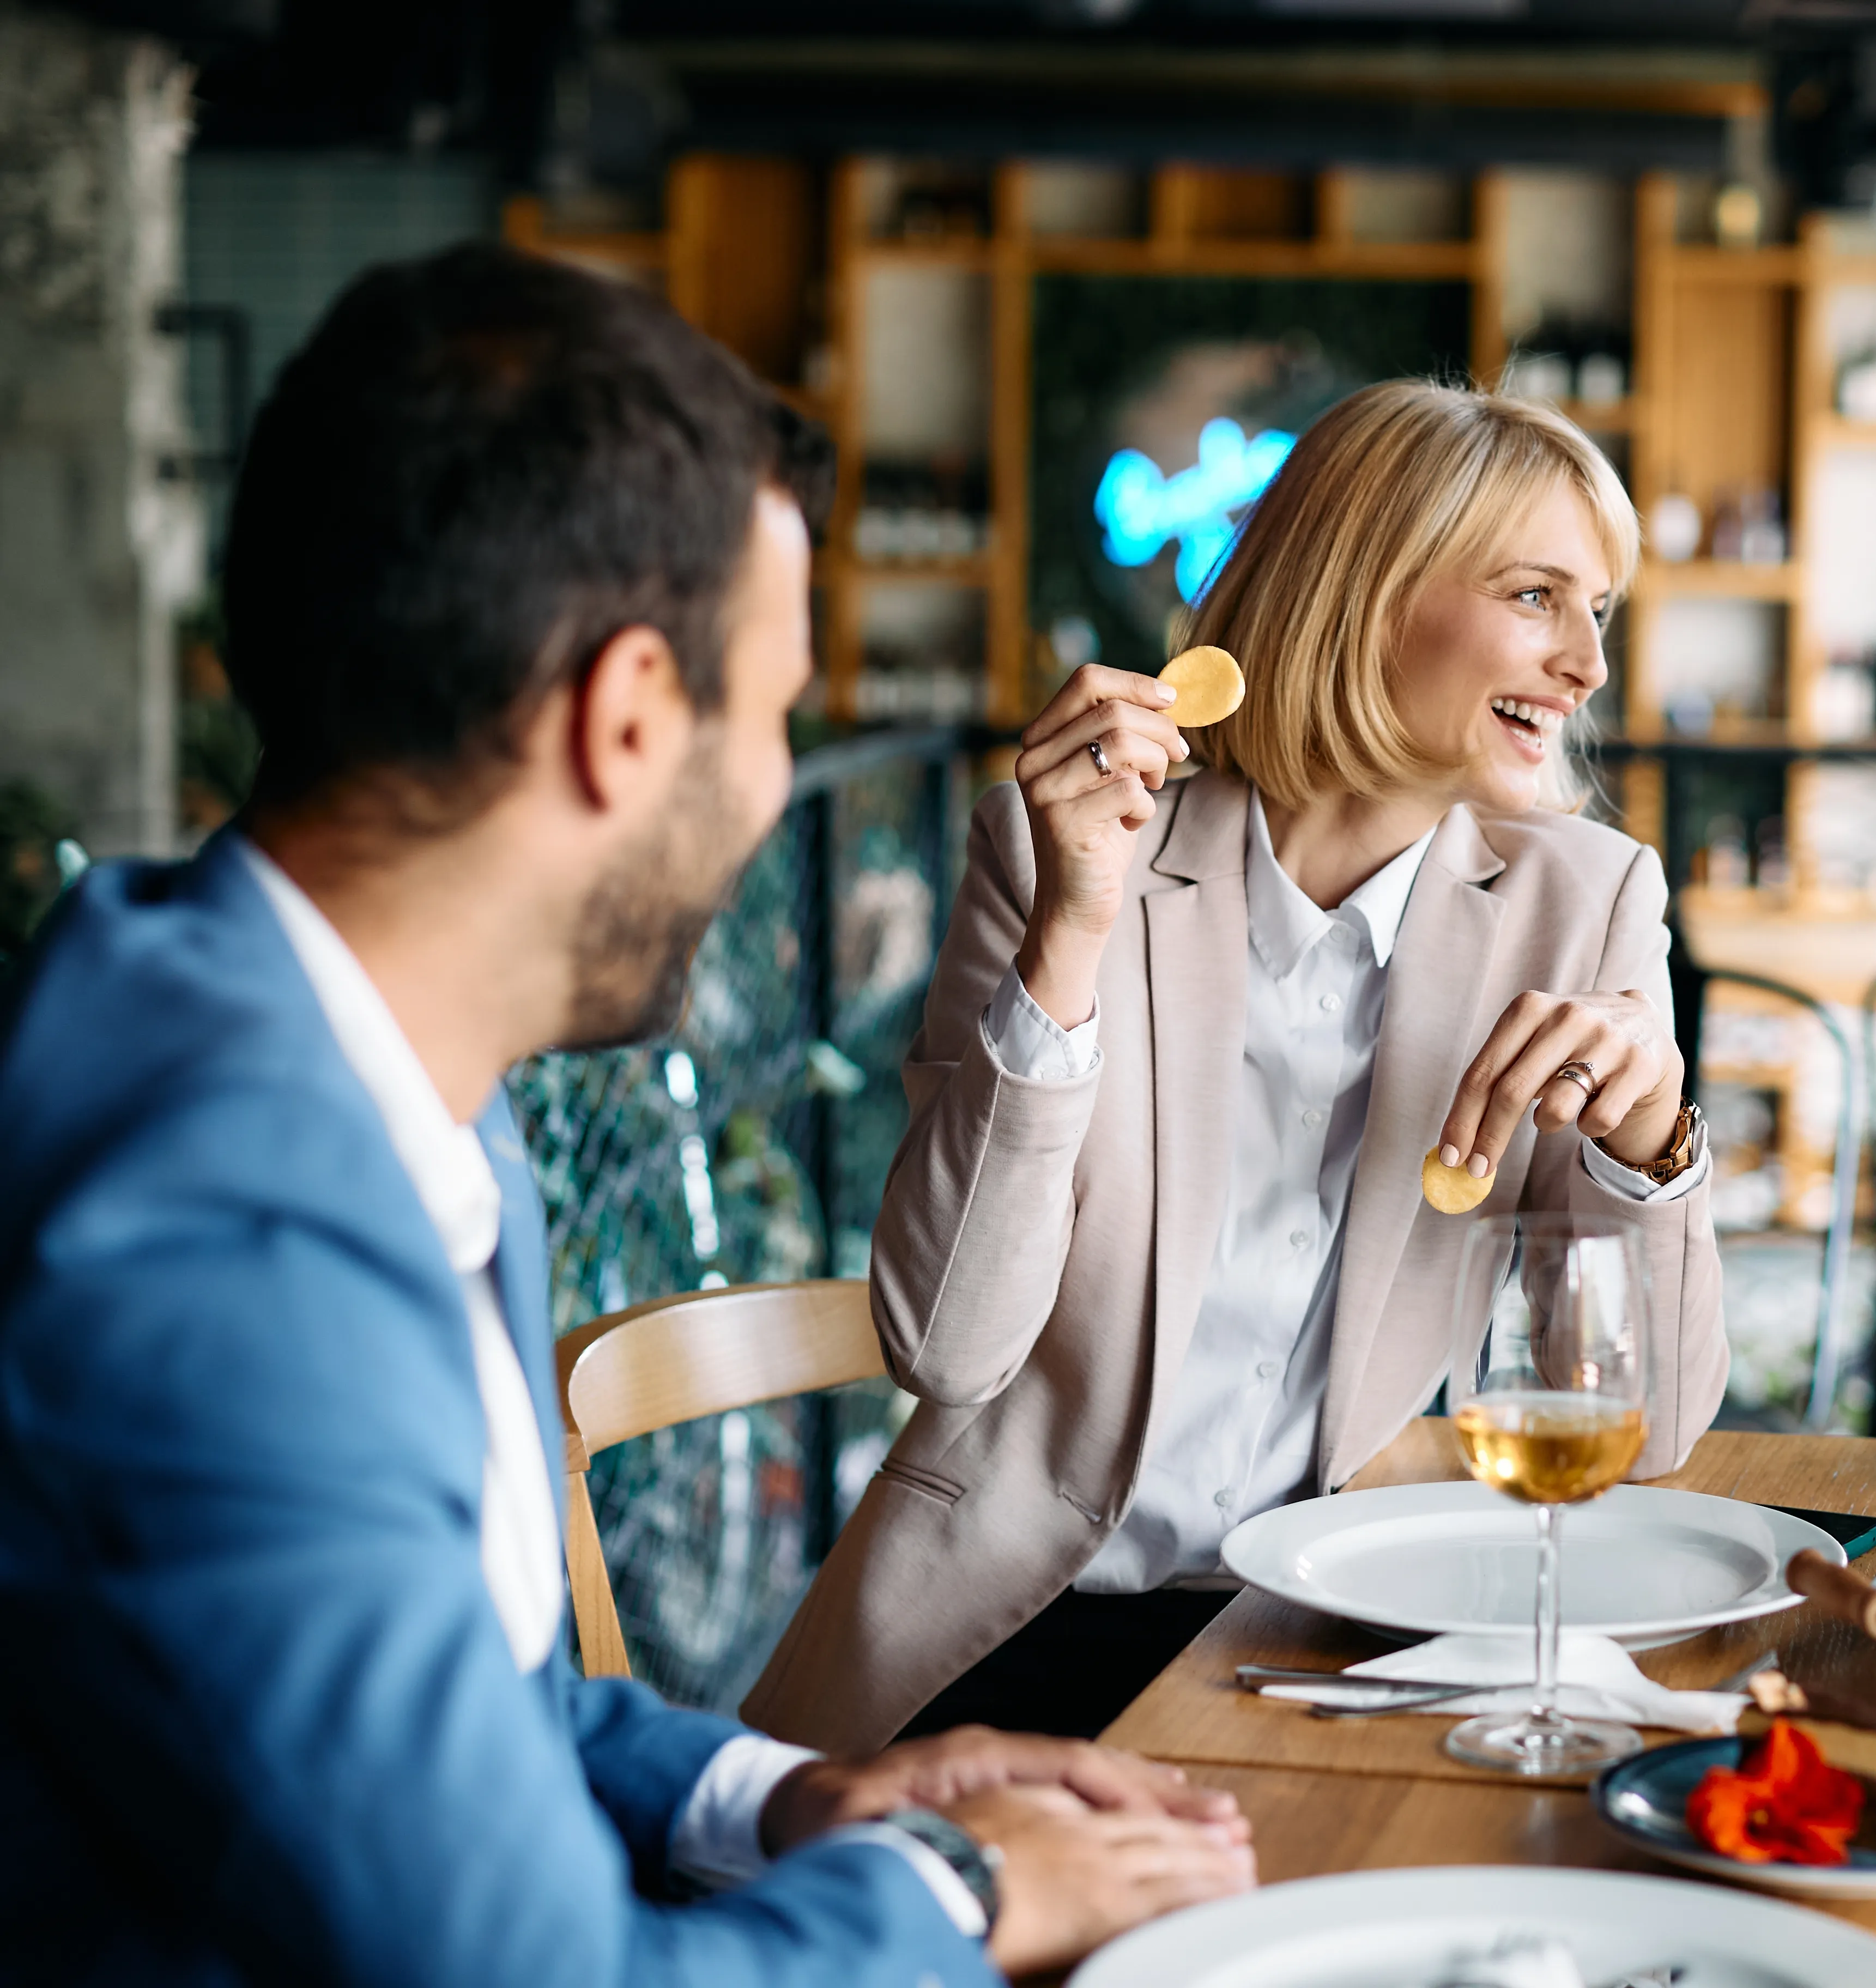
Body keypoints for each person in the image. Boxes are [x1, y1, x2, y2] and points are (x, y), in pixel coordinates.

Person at [0, 244, 1255, 1985]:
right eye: (776, 715)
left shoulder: (361, 1068)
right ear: (628, 719)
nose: (774, 788)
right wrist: (963, 1894)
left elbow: (490, 1698)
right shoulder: (224, 1238)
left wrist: (798, 1800)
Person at [745, 379, 1730, 1754]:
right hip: (1008, 1636)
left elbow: (1660, 1425)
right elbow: (947, 1344)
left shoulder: (1593, 902)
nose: (1588, 667)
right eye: (1536, 598)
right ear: (1369, 591)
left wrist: (1650, 1145)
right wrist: (1072, 933)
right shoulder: (1063, 851)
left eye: (1599, 614)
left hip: (1342, 1641)